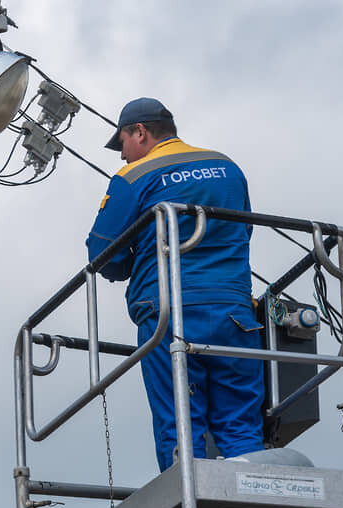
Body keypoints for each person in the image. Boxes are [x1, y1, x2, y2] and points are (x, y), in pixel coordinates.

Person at [86, 97, 265, 471]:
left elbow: (103, 255)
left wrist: (131, 262)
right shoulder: (226, 167)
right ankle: (252, 484)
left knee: (180, 422)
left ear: (140, 132)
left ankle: (189, 500)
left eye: (122, 144)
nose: (122, 155)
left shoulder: (133, 177)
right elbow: (242, 231)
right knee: (241, 423)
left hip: (169, 312)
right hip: (235, 314)